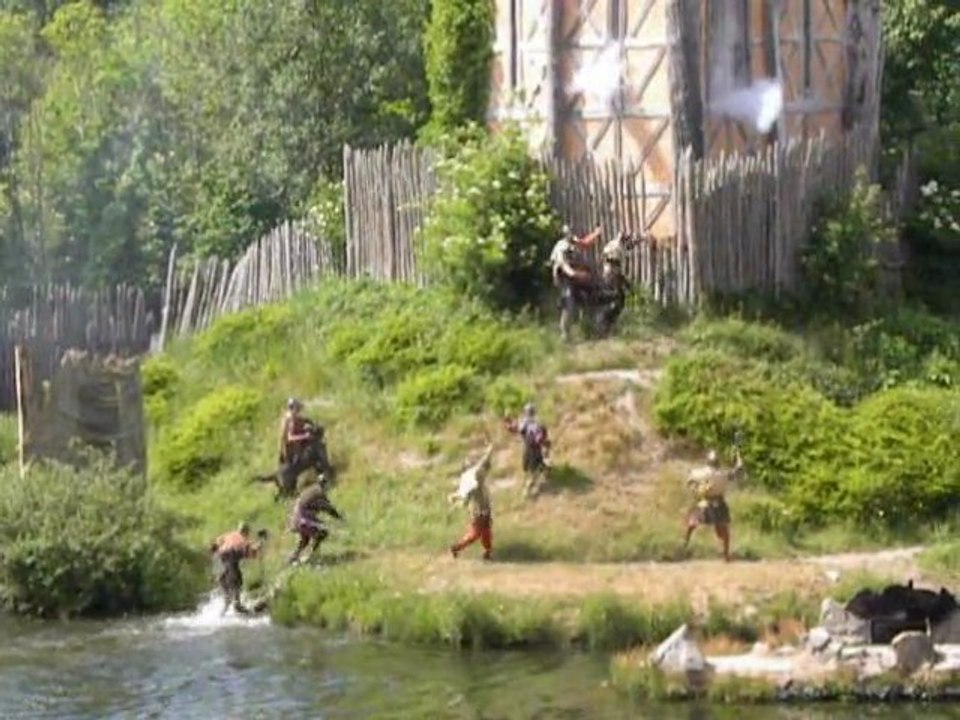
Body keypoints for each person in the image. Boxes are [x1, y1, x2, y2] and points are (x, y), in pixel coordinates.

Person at [683, 447, 744, 562]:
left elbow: (690, 479)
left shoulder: (701, 473)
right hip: (717, 503)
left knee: (690, 525)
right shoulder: (722, 474)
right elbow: (737, 471)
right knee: (722, 531)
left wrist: (696, 489)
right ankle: (725, 555)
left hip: (704, 502)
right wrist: (738, 459)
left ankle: (683, 547)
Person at [549, 225, 602, 341]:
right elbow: (564, 266)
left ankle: (588, 327)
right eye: (570, 232)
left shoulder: (573, 241)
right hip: (564, 278)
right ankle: (564, 334)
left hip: (576, 276)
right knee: (569, 303)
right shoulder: (561, 247)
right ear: (564, 235)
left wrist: (596, 234)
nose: (573, 234)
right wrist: (578, 275)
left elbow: (584, 243)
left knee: (592, 295)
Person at [448, 444, 495, 560]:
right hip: (479, 513)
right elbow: (483, 463)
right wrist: (489, 450)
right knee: (476, 534)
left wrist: (454, 499)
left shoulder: (469, 480)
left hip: (482, 511)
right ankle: (456, 547)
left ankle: (487, 552)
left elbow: (464, 500)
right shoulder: (472, 478)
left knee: (486, 533)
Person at [210, 522, 268, 615]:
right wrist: (262, 541)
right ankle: (237, 605)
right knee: (237, 582)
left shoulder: (227, 535)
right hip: (231, 562)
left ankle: (222, 613)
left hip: (221, 564)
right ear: (246, 532)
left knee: (226, 591)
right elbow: (252, 553)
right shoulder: (243, 541)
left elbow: (214, 547)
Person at [288, 476, 344, 565]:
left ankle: (294, 557)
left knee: (305, 539)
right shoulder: (319, 493)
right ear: (325, 484)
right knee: (321, 533)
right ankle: (312, 556)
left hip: (296, 518)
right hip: (303, 519)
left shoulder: (310, 490)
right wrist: (340, 518)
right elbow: (328, 508)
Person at [504, 403, 551, 499]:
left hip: (530, 449)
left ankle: (528, 491)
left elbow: (512, 429)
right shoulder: (538, 424)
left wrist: (507, 419)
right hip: (534, 449)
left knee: (531, 470)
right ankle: (529, 488)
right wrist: (546, 446)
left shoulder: (525, 423)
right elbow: (543, 439)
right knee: (531, 469)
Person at [596, 231, 636, 336]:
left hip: (611, 273)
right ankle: (603, 327)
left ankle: (607, 327)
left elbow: (628, 247)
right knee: (613, 301)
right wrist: (622, 279)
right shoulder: (616, 247)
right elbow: (611, 261)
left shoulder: (614, 245)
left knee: (618, 300)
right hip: (611, 274)